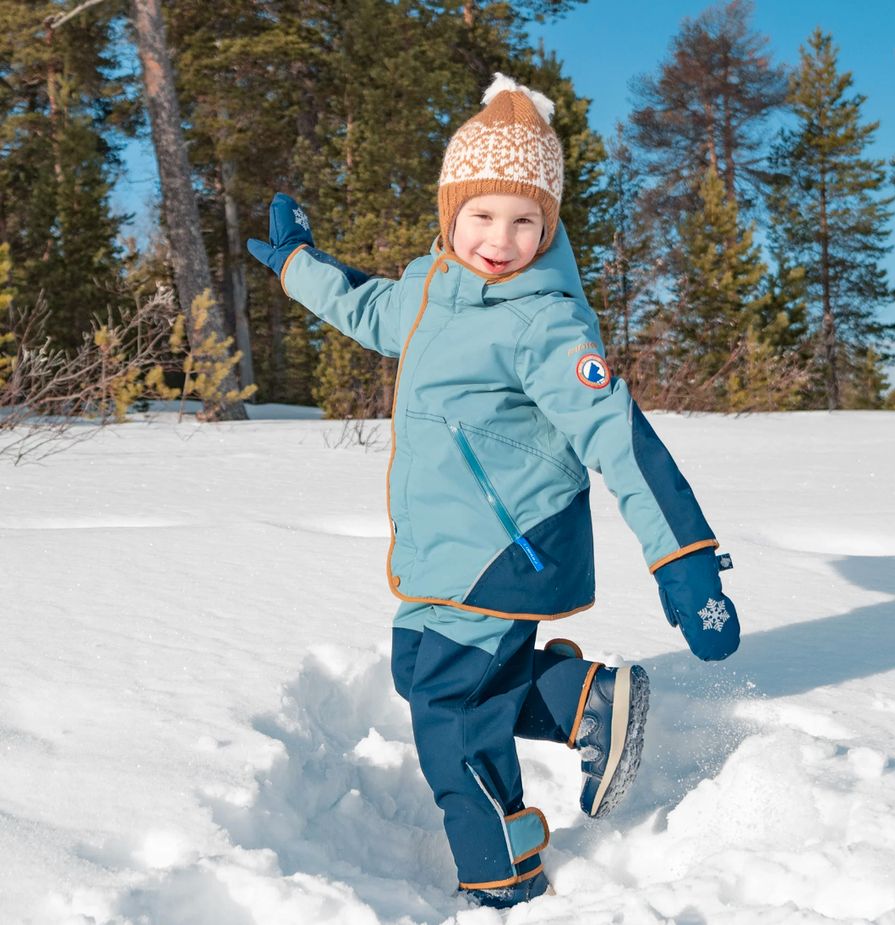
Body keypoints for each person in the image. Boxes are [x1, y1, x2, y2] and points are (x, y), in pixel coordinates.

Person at [248, 74, 741, 910]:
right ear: (450, 213)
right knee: (427, 671)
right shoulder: (434, 289)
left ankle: (499, 869)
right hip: (454, 546)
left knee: (447, 706)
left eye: (525, 220)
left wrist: (684, 556)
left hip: (502, 546)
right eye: (481, 215)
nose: (500, 239)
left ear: (548, 225)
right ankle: (591, 700)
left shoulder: (541, 321)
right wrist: (299, 263)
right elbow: (366, 307)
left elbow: (617, 436)